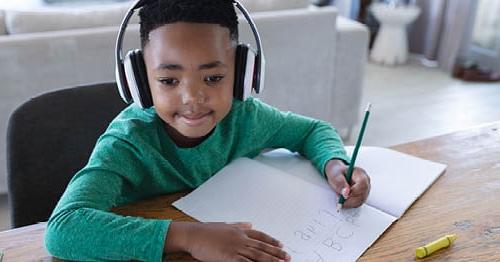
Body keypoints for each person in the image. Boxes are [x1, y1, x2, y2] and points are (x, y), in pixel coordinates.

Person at [44, 0, 371, 261]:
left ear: (243, 74)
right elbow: (63, 229)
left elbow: (313, 130)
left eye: (213, 78)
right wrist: (188, 236)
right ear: (140, 82)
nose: (192, 99)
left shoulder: (246, 117)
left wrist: (335, 163)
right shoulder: (127, 143)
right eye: (169, 81)